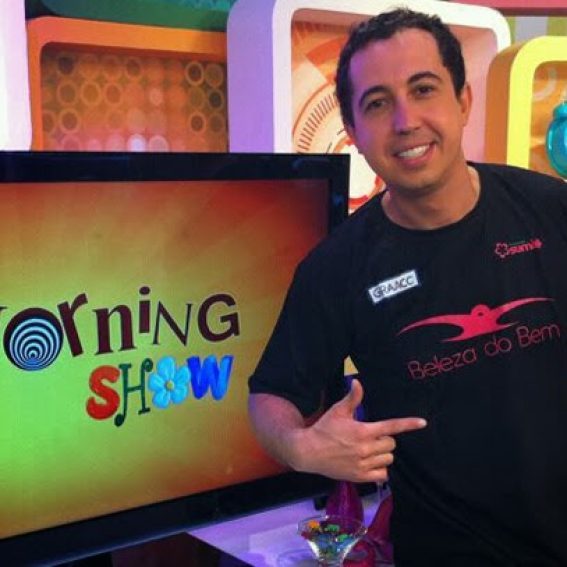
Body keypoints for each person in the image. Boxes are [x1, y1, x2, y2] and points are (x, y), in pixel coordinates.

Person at [248, 8, 567, 566]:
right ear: (352, 133)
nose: (405, 120)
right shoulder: (337, 267)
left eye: (423, 89)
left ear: (462, 100)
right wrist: (301, 447)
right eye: (377, 103)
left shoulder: (550, 210)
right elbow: (269, 395)